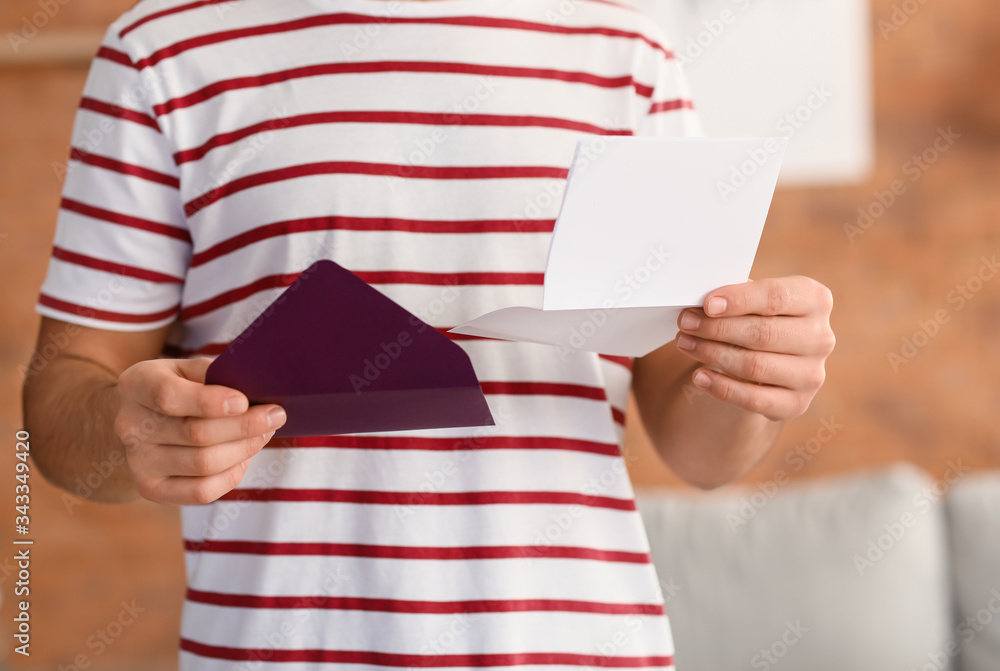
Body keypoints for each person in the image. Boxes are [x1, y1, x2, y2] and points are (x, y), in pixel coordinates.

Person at [23, 0, 835, 667]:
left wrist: (752, 374)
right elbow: (65, 400)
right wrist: (132, 430)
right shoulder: (159, 53)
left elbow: (702, 454)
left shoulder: (630, 57)